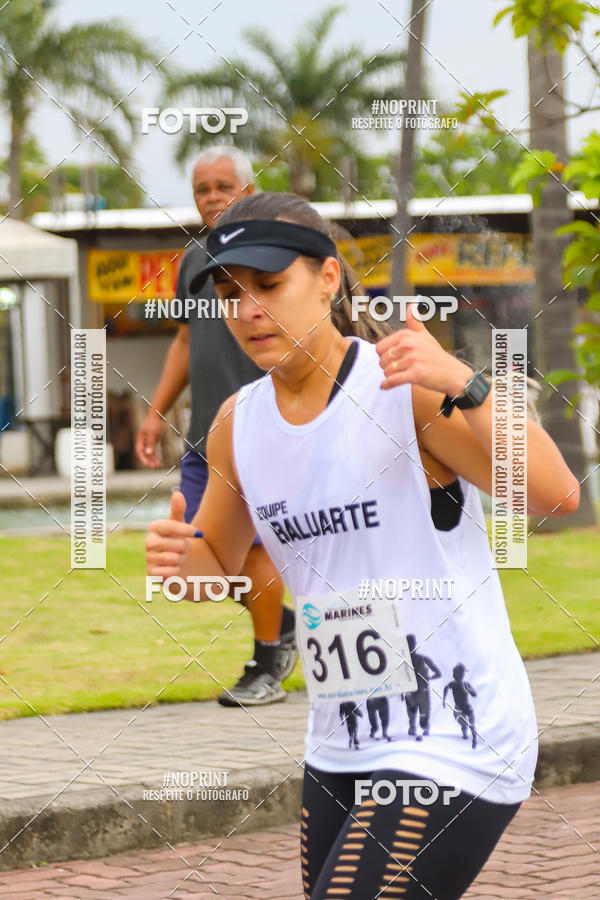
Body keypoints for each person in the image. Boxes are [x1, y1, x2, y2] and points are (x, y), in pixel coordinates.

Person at [145, 192, 580, 899]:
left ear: (328, 278)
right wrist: (177, 560)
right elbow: (216, 564)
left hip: (452, 734)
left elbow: (556, 493)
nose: (248, 309)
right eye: (230, 293)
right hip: (342, 734)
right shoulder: (237, 423)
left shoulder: (400, 391)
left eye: (267, 285)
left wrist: (466, 386)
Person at [136, 149, 297, 707]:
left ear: (248, 189)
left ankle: (267, 664)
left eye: (223, 186)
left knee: (251, 551)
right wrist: (157, 412)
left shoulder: (275, 257)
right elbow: (184, 340)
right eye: (202, 188)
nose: (211, 197)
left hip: (262, 433)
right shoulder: (192, 259)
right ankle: (286, 623)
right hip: (205, 435)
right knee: (202, 559)